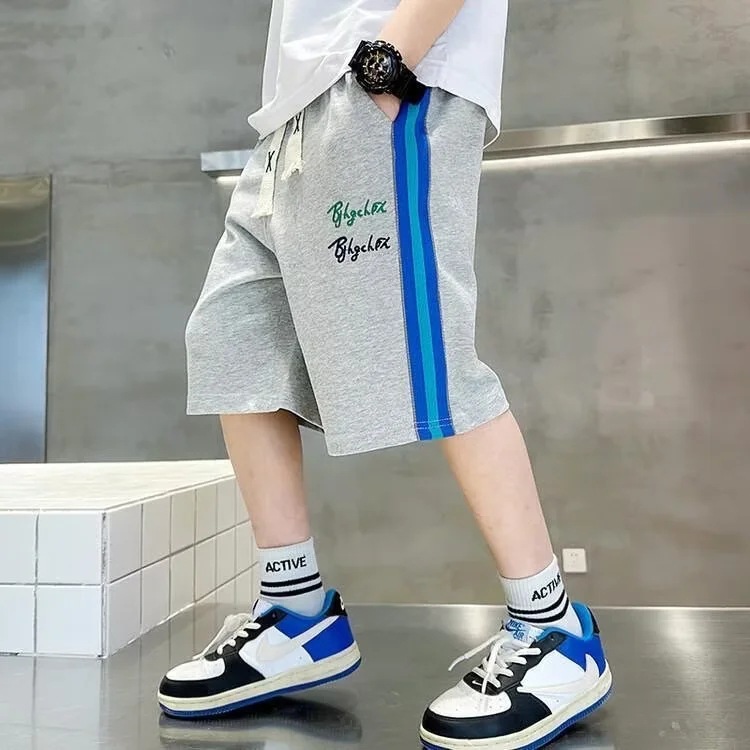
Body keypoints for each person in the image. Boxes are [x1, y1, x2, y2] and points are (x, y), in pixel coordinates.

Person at [157, 0, 612, 747]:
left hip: (385, 82)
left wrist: (387, 66)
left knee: (433, 364)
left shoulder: (384, 75)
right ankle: (297, 612)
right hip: (294, 116)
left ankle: (555, 627)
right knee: (235, 346)